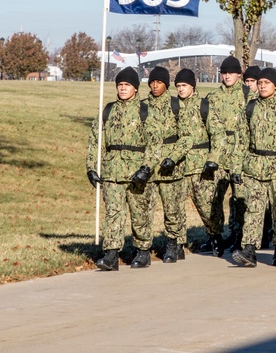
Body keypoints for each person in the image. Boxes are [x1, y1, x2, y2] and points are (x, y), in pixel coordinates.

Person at [87, 67, 155, 270]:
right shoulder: (108, 110)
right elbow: (95, 140)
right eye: (120, 85)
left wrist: (147, 168)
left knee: (139, 214)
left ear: (135, 88)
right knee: (113, 213)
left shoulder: (145, 111)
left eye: (127, 85)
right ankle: (111, 253)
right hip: (112, 171)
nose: (123, 88)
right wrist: (91, 167)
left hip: (137, 174)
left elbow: (155, 143)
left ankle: (143, 251)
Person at [232, 68, 276, 268]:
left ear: (275, 85)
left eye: (266, 83)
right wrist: (237, 167)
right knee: (253, 209)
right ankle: (250, 249)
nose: (262, 86)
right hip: (255, 166)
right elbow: (241, 139)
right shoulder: (251, 107)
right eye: (259, 83)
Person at [172, 68, 226, 256]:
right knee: (175, 206)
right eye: (178, 86)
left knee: (207, 205)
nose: (181, 89)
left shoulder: (204, 105)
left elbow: (218, 134)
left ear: (193, 86)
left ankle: (215, 236)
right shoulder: (173, 106)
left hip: (200, 165)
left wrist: (213, 159)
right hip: (178, 165)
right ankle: (177, 242)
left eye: (184, 85)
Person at [205, 56, 249, 253]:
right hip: (220, 153)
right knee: (214, 198)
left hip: (241, 152)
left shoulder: (249, 95)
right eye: (224, 72)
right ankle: (215, 235)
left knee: (240, 198)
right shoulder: (213, 97)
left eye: (231, 72)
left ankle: (239, 236)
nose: (227, 76)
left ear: (239, 75)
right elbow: (212, 127)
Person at [144, 66, 186, 263]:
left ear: (166, 84)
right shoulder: (142, 106)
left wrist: (174, 157)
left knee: (172, 209)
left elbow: (186, 137)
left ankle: (173, 243)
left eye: (159, 82)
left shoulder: (176, 105)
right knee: (145, 208)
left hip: (170, 166)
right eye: (152, 82)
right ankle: (143, 246)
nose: (154, 85)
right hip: (149, 167)